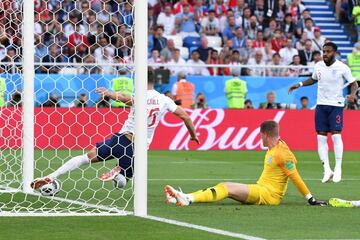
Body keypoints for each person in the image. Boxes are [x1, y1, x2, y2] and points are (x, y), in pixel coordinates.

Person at [31, 67, 200, 190]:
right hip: (137, 149)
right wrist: (192, 135)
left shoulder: (139, 95)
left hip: (120, 139)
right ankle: (121, 171)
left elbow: (127, 99)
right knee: (122, 182)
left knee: (85, 158)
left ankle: (52, 176)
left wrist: (111, 94)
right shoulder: (165, 100)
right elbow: (185, 116)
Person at [165, 120, 327, 207]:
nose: (260, 138)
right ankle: (185, 198)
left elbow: (295, 176)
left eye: (260, 135)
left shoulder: (282, 153)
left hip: (269, 195)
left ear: (265, 134)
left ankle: (188, 198)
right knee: (225, 185)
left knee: (226, 187)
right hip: (262, 189)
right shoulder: (274, 147)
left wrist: (311, 199)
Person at [288, 42, 359, 183]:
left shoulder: (342, 67)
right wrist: (300, 84)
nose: (325, 54)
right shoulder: (318, 66)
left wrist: (352, 94)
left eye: (328, 51)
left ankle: (338, 167)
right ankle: (327, 170)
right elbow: (313, 79)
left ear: (335, 53)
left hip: (336, 105)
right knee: (321, 138)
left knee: (336, 136)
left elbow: (354, 83)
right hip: (321, 105)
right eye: (323, 51)